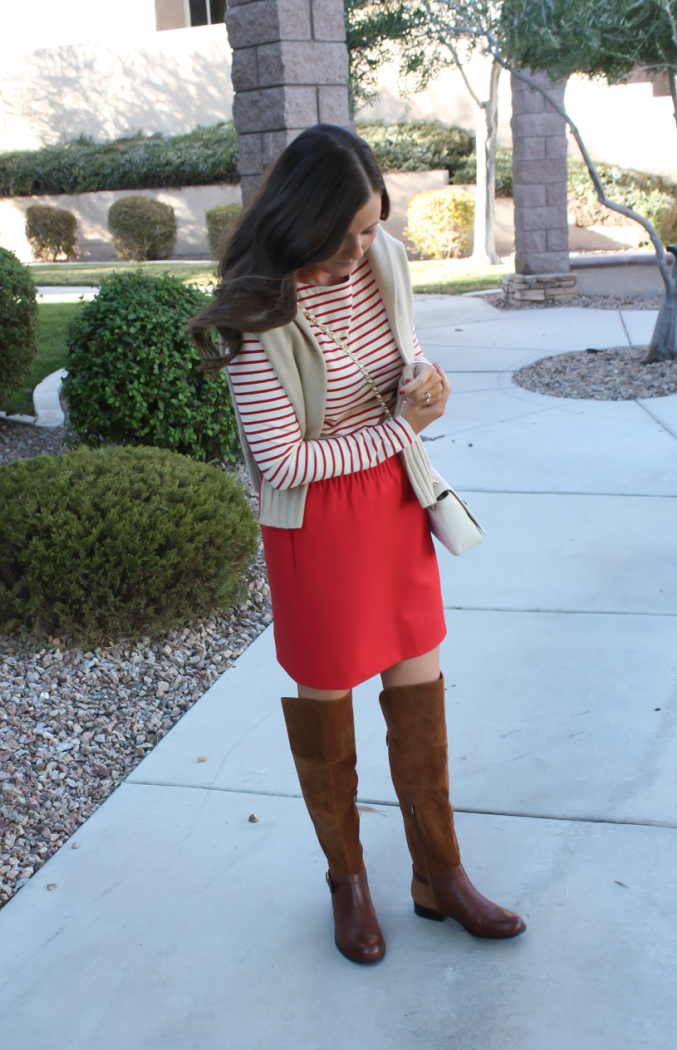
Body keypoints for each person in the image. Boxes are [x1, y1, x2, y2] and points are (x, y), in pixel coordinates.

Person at [191, 124, 526, 963]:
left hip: (393, 504)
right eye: (342, 238)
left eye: (371, 228)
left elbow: (400, 353)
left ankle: (439, 876)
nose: (360, 251)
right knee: (328, 704)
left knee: (420, 690)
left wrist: (422, 381)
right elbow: (285, 462)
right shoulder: (252, 316)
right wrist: (398, 430)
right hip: (318, 529)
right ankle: (347, 883)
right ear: (299, 223)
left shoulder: (384, 262)